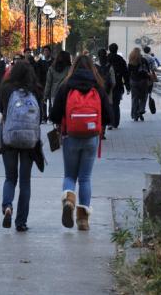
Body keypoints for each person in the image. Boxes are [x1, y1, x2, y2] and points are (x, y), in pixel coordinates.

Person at [50, 55, 112, 231]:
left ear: (74, 67)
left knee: (70, 176)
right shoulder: (97, 87)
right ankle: (83, 221)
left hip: (70, 136)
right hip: (92, 138)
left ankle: (69, 200)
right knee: (85, 178)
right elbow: (109, 116)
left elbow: (54, 114)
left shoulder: (66, 86)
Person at [0, 61, 43, 232]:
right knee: (25, 181)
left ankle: (7, 205)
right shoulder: (36, 89)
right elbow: (40, 116)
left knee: (10, 177)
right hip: (29, 140)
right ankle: (21, 222)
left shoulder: (6, 89)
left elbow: (3, 111)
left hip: (9, 137)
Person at [107, 43, 130, 130]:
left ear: (109, 49)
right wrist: (127, 86)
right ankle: (115, 123)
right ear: (117, 49)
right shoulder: (121, 60)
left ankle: (109, 122)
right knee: (116, 104)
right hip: (118, 85)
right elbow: (125, 74)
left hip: (107, 86)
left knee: (108, 104)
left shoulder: (106, 59)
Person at [44, 50, 71, 117]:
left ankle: (57, 125)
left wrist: (45, 96)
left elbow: (48, 84)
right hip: (67, 93)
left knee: (57, 114)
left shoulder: (51, 68)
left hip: (54, 94)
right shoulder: (70, 69)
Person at [128, 47, 150, 122]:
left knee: (134, 98)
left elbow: (128, 73)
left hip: (133, 81)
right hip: (143, 81)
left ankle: (135, 115)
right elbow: (148, 70)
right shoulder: (143, 60)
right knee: (143, 97)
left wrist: (127, 84)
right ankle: (141, 109)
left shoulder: (131, 61)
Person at [36, 46, 52, 122]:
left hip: (51, 84)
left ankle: (51, 116)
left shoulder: (53, 61)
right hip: (43, 83)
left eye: (47, 50)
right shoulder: (40, 62)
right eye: (45, 51)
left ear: (50, 52)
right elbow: (38, 73)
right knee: (43, 101)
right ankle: (44, 116)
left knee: (51, 101)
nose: (46, 52)